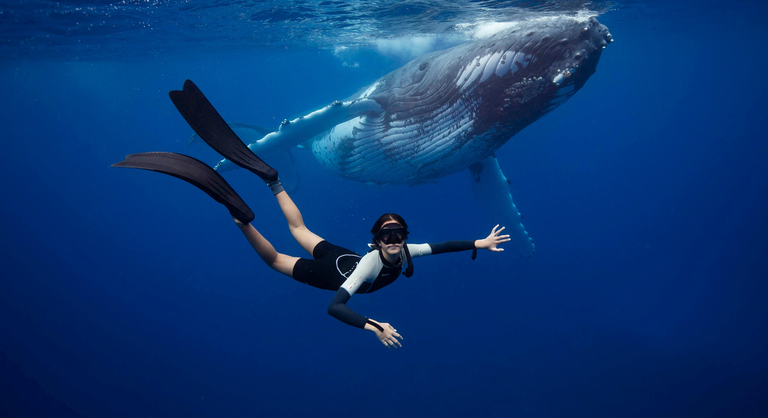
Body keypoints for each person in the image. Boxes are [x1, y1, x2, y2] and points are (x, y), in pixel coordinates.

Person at [113, 80, 509, 348]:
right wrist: (373, 326)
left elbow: (441, 247)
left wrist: (480, 242)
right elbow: (335, 306)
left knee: (299, 227)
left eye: (398, 235)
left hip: (337, 253)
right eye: (388, 237)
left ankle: (271, 179)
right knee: (272, 259)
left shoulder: (406, 252)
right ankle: (242, 219)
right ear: (376, 241)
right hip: (336, 271)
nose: (394, 242)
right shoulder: (373, 264)